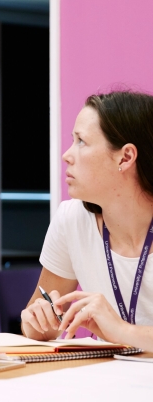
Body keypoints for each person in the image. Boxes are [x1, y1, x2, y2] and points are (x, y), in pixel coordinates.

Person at [21, 90, 153, 341]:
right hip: (105, 377)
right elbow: (41, 324)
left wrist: (124, 332)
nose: (67, 155)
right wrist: (33, 322)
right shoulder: (72, 219)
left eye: (81, 141)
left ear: (125, 157)